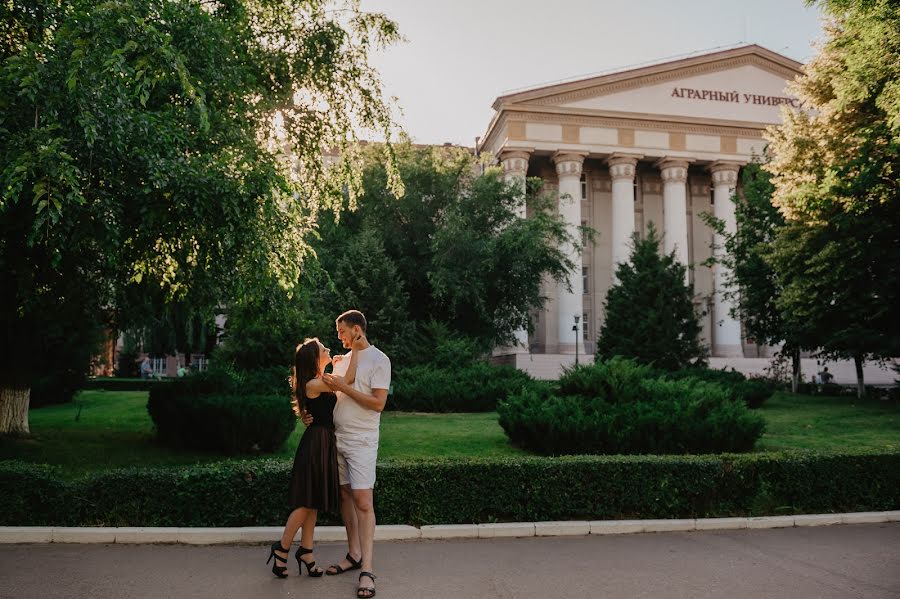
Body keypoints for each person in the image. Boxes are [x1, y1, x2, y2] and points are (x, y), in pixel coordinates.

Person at [303, 310, 391, 599]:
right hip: (335, 439)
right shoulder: (342, 361)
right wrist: (310, 415)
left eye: (342, 332)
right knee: (344, 496)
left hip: (363, 440)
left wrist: (343, 387)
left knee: (364, 501)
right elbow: (327, 394)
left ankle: (367, 569)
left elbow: (377, 404)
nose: (338, 337)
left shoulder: (380, 360)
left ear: (356, 330)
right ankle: (353, 553)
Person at [266, 336, 361, 579]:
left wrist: (334, 364)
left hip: (322, 441)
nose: (328, 348)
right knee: (307, 502)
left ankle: (307, 551)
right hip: (317, 444)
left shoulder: (317, 380)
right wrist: (356, 352)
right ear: (315, 358)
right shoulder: (314, 384)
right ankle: (282, 548)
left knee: (313, 501)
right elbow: (347, 381)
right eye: (323, 348)